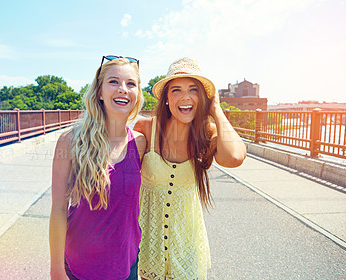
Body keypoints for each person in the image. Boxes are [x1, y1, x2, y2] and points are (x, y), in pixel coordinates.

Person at [134, 57, 246, 280]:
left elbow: (234, 157)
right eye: (176, 90)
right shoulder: (147, 128)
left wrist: (216, 109)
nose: (185, 97)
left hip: (186, 243)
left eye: (193, 90)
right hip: (148, 241)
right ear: (166, 98)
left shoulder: (207, 133)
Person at [49, 55, 146, 280]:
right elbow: (58, 210)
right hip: (78, 268)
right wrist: (56, 270)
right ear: (100, 92)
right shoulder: (71, 140)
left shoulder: (140, 142)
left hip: (127, 265)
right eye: (113, 82)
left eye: (131, 84)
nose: (123, 89)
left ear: (137, 95)